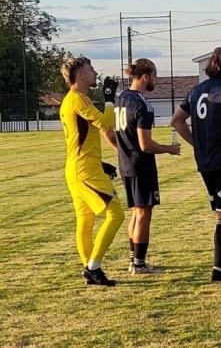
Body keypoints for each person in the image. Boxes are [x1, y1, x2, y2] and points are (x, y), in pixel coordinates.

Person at [171, 46, 221, 282]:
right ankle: (220, 270)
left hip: (205, 160)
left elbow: (177, 121)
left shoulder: (196, 90)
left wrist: (198, 143)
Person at [59, 56, 125, 286]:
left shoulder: (75, 99)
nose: (95, 72)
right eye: (91, 69)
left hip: (79, 167)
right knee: (116, 213)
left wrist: (99, 162)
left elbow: (83, 137)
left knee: (85, 221)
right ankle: (92, 267)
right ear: (79, 75)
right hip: (84, 170)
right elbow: (105, 123)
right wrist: (108, 100)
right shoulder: (77, 99)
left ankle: (91, 269)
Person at [115, 59, 181, 274]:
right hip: (140, 165)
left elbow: (107, 131)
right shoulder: (142, 104)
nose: (156, 79)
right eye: (154, 75)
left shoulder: (121, 98)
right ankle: (140, 264)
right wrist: (169, 149)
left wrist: (122, 148)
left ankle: (133, 260)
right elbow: (146, 144)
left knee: (136, 212)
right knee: (144, 214)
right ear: (145, 76)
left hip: (125, 164)